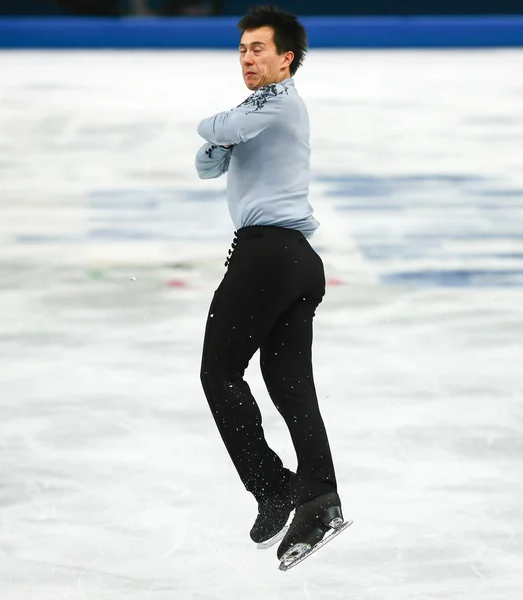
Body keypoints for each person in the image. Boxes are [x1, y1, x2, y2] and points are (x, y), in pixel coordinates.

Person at [195, 4, 344, 563]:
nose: (247, 58)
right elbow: (206, 165)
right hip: (295, 261)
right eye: (241, 49)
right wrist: (225, 133)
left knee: (218, 372)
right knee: (288, 384)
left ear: (286, 58)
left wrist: (224, 128)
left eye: (258, 49)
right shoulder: (258, 109)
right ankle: (321, 498)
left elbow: (212, 133)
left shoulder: (277, 106)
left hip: (268, 257)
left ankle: (273, 486)